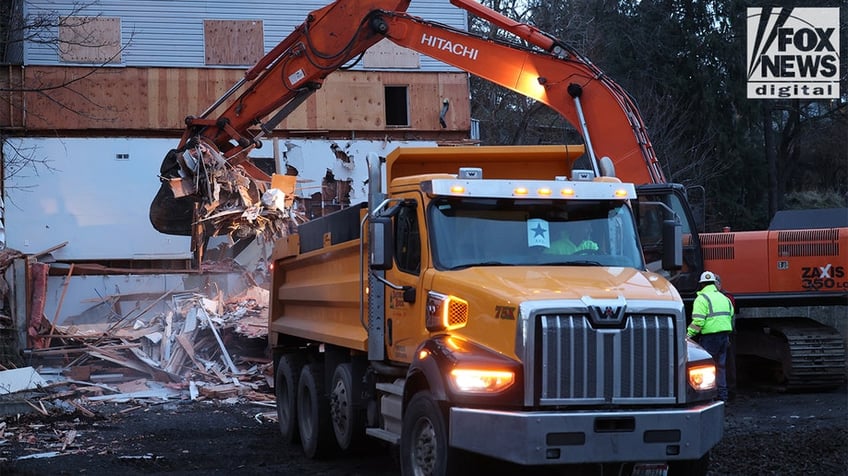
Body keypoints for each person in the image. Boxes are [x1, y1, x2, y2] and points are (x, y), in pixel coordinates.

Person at [687, 271, 735, 401]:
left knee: (707, 368)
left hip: (710, 338)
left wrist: (687, 336)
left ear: (701, 285)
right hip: (724, 337)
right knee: (721, 367)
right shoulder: (724, 298)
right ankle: (722, 397)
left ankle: (709, 397)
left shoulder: (701, 299)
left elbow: (698, 322)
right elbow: (730, 316)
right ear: (714, 283)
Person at [715, 273, 738, 399]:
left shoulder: (726, 297)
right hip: (725, 333)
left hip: (725, 333)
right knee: (724, 364)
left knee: (725, 364)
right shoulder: (727, 297)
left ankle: (728, 390)